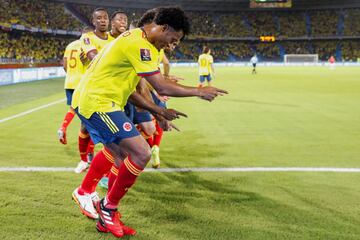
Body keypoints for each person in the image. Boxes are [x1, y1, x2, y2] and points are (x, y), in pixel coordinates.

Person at [71, 6, 227, 238]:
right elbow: (161, 87)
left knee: (122, 156)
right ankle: (106, 208)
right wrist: (198, 90)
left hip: (108, 101)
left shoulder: (147, 46)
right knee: (141, 153)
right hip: (96, 102)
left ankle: (105, 212)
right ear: (163, 28)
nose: (171, 44)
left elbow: (135, 87)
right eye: (172, 39)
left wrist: (157, 111)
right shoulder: (138, 42)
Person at [72, 8, 114, 173]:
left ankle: (105, 168)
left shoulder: (114, 39)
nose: (103, 20)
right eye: (99, 18)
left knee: (110, 134)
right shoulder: (87, 38)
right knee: (85, 128)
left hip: (111, 91)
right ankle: (84, 159)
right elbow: (95, 58)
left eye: (105, 18)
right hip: (91, 90)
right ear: (93, 21)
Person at [57, 27, 93, 146]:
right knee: (90, 117)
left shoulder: (70, 45)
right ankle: (88, 153)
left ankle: (63, 127)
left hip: (69, 83)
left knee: (73, 108)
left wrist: (72, 75)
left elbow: (65, 65)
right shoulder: (89, 46)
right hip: (83, 83)